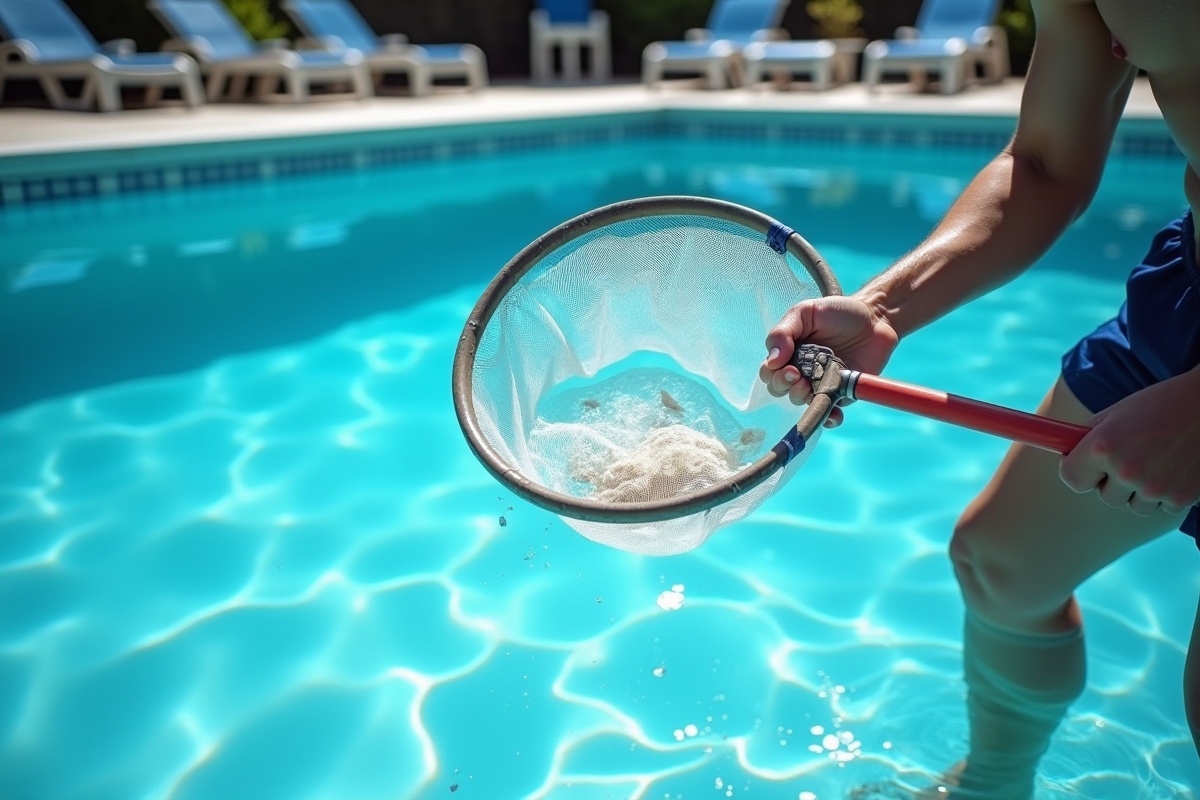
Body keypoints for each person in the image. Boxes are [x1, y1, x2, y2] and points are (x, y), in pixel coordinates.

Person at [758, 1, 1200, 796]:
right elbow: (1045, 164)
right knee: (1002, 566)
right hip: (1190, 300)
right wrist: (887, 308)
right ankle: (993, 785)